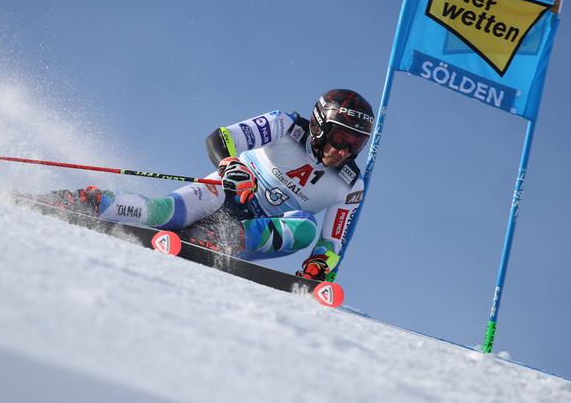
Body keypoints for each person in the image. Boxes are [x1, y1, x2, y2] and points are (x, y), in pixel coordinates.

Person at [37, 89, 374, 282]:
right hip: (226, 194)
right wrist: (231, 164)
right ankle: (93, 202)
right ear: (318, 126)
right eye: (341, 136)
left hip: (254, 233)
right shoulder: (284, 126)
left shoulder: (350, 184)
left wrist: (319, 267)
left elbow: (332, 242)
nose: (345, 150)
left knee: (304, 225)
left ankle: (216, 239)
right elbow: (221, 138)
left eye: (356, 144)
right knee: (161, 212)